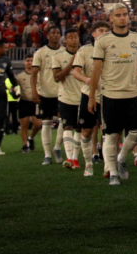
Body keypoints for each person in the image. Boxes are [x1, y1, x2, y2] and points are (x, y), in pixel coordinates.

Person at [88, 4, 137, 186]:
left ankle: (120, 158)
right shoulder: (103, 41)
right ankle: (112, 172)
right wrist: (91, 96)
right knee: (111, 135)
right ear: (111, 18)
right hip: (111, 94)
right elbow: (96, 70)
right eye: (118, 15)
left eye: (125, 15)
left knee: (135, 133)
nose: (122, 18)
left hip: (132, 93)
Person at [31, 28, 71, 165]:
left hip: (62, 92)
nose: (55, 35)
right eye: (52, 33)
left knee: (63, 121)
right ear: (47, 36)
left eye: (57, 33)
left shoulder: (64, 52)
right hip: (45, 92)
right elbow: (34, 73)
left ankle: (57, 147)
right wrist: (34, 91)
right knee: (46, 123)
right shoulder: (41, 52)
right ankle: (47, 154)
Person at [74, 21, 109, 178]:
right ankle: (88, 164)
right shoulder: (85, 50)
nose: (103, 32)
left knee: (109, 132)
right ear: (93, 33)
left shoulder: (113, 48)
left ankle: (109, 166)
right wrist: (87, 80)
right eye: (100, 30)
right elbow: (76, 71)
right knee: (87, 131)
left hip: (109, 94)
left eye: (106, 30)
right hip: (89, 94)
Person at [55, 30, 84, 170]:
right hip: (66, 97)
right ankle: (68, 158)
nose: (73, 40)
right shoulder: (58, 56)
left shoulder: (85, 54)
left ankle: (75, 158)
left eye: (75, 37)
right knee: (67, 126)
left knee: (79, 128)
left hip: (82, 96)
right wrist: (72, 64)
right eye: (70, 37)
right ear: (65, 41)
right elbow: (57, 77)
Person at [16, 56, 39, 153]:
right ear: (24, 62)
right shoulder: (19, 76)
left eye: (31, 60)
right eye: (28, 60)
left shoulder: (39, 75)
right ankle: (25, 145)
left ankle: (31, 138)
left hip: (36, 101)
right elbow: (14, 87)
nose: (30, 62)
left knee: (38, 124)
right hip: (24, 101)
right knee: (24, 124)